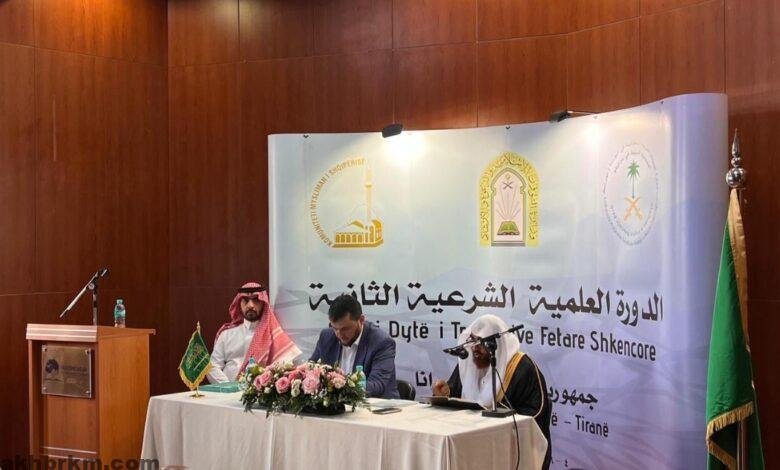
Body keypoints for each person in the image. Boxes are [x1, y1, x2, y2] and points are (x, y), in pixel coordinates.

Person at [432, 314, 552, 469]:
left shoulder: (522, 367)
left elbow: (534, 415)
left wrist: (496, 420)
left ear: (496, 344)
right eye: (473, 341)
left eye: (480, 342)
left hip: (509, 450)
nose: (474, 348)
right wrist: (446, 393)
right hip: (469, 440)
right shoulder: (470, 362)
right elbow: (456, 394)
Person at [207, 282, 301, 383]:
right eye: (245, 300)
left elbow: (287, 367)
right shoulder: (226, 335)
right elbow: (212, 366)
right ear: (239, 303)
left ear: (263, 303)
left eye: (256, 300)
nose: (250, 305)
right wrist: (228, 387)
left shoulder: (274, 336)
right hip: (227, 389)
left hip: (259, 391)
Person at [310, 294, 399, 398]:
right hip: (336, 405)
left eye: (345, 329)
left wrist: (340, 385)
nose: (339, 334)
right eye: (334, 328)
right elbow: (310, 369)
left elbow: (376, 385)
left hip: (377, 404)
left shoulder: (381, 342)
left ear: (361, 320)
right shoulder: (326, 336)